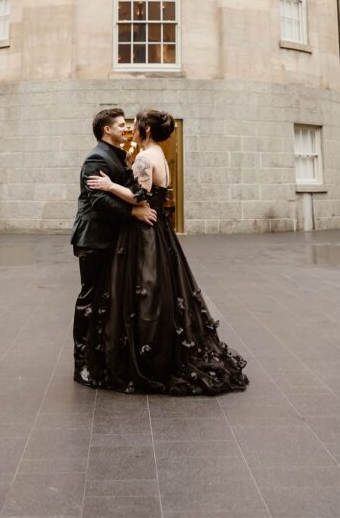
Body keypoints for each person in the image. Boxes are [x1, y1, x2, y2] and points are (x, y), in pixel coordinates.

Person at [83, 109, 249, 395]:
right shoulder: (159, 153)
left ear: (145, 130)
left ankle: (147, 357)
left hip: (144, 231)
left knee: (143, 291)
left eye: (135, 125)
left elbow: (139, 196)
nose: (131, 129)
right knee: (158, 290)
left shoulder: (146, 158)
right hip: (159, 229)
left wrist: (110, 185)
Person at [70, 107, 157, 385]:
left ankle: (99, 358)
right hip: (94, 239)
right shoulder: (96, 157)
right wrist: (132, 212)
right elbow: (98, 201)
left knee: (106, 300)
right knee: (89, 299)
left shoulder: (118, 155)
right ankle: (81, 365)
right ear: (107, 130)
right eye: (121, 125)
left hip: (111, 238)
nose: (126, 128)